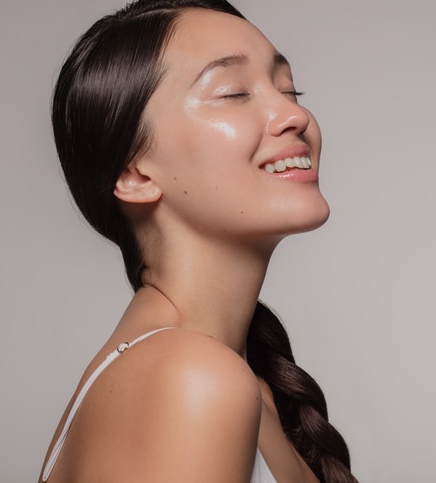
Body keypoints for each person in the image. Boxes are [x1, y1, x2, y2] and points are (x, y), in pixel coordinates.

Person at [40, 0, 358, 481]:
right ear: (134, 172)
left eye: (290, 89)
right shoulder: (188, 379)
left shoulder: (236, 383)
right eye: (233, 93)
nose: (293, 114)